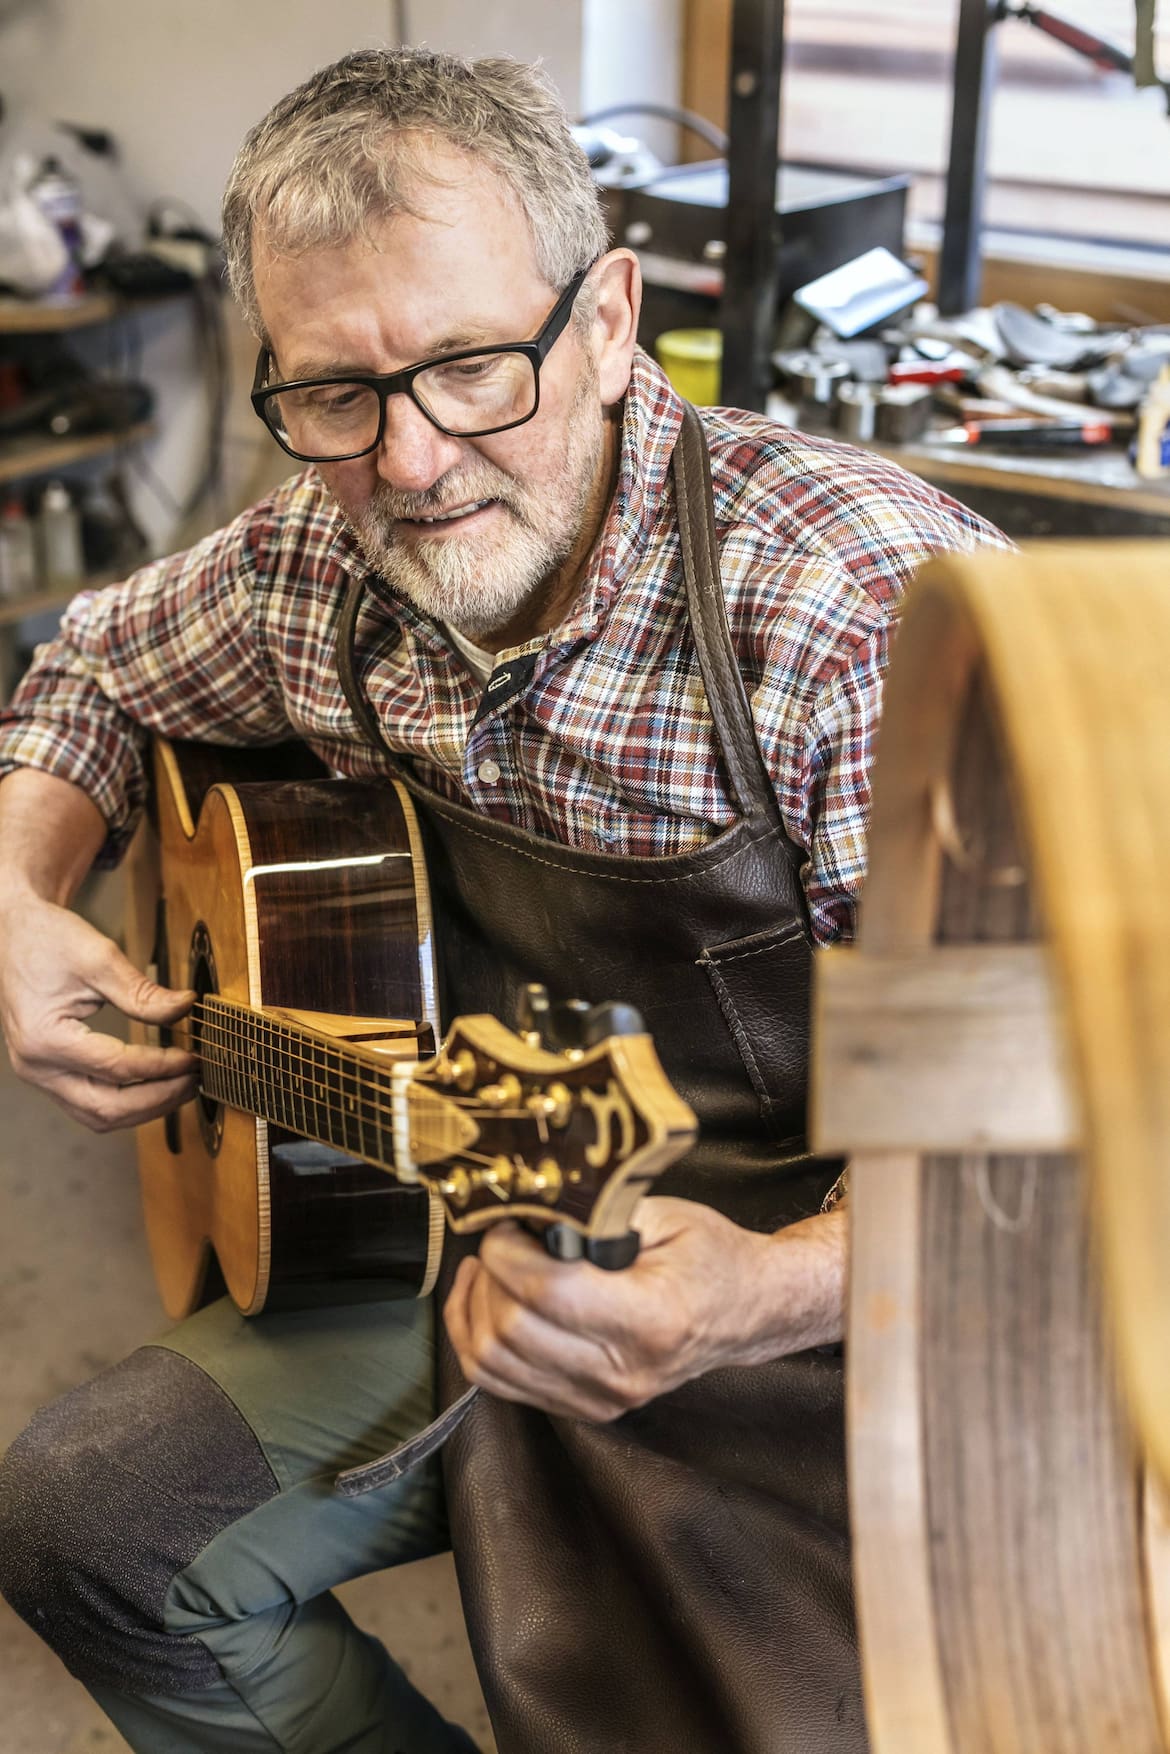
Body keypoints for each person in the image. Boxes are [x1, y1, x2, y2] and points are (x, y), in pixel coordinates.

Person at [0, 46, 1005, 1754]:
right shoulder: (319, 556)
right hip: (470, 1214)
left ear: (608, 320)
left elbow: (1081, 1130)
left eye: (471, 367)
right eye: (332, 395)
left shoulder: (857, 617)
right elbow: (88, 664)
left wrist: (767, 1288)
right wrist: (19, 899)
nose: (408, 462)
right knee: (88, 1527)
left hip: (869, 1312)